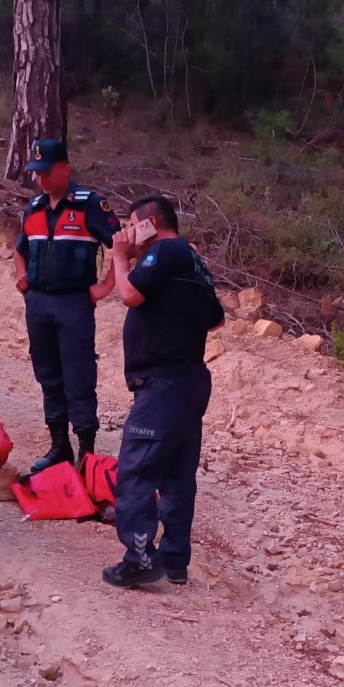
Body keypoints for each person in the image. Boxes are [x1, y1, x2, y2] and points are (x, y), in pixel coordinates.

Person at [101, 195, 224, 589]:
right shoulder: (194, 263)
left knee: (136, 471)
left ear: (151, 223)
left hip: (164, 385)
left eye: (132, 224)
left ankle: (139, 559)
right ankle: (174, 560)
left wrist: (121, 258)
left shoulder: (167, 250)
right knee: (176, 474)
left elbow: (130, 295)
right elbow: (215, 319)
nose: (127, 233)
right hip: (189, 382)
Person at [13, 138, 119, 473]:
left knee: (79, 375)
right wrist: (22, 279)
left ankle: (85, 453)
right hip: (39, 304)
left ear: (65, 169)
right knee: (48, 374)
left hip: (74, 303)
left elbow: (121, 243)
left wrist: (107, 286)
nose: (40, 179)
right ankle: (59, 446)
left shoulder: (89, 204)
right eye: (36, 173)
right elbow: (21, 249)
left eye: (45, 172)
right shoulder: (34, 208)